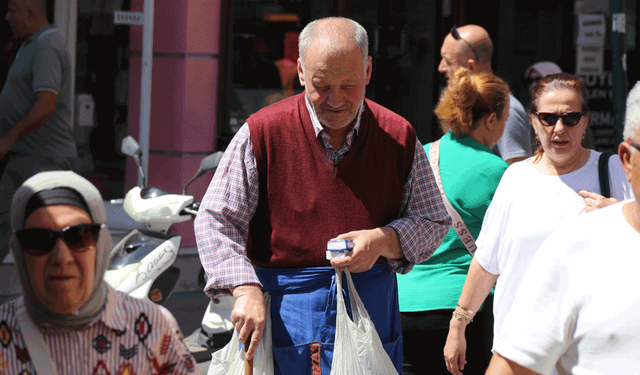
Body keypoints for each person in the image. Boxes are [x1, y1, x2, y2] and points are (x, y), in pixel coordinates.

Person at [194, 17, 451, 375]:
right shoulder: (263, 131)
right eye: (321, 85)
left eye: (348, 85)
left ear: (368, 71)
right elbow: (216, 218)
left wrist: (383, 240)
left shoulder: (398, 135)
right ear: (300, 71)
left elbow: (433, 220)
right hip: (285, 311)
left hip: (369, 308)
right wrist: (243, 287)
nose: (335, 100)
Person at [443, 73, 633, 375]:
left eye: (570, 118)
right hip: (518, 352)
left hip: (588, 353)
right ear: (533, 122)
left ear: (585, 122)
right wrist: (458, 323)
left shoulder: (612, 170)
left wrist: (615, 213)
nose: (559, 128)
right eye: (548, 118)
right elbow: (487, 260)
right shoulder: (515, 178)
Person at [0, 170, 198, 373]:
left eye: (79, 236)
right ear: (18, 250)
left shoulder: (154, 327)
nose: (61, 257)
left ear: (102, 244)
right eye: (38, 239)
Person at [397, 68, 510, 374]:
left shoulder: (421, 153)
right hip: (461, 311)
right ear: (490, 120)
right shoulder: (497, 171)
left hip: (403, 304)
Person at [0, 0, 77, 263]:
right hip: (26, 157)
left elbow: (46, 104)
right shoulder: (29, 44)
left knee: (40, 230)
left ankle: (48, 296)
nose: (8, 17)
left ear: (30, 13)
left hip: (42, 159)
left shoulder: (47, 45)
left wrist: (8, 139)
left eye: (12, 11)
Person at [438, 24, 531, 165]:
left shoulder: (506, 109)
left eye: (449, 62)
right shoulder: (460, 103)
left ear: (471, 67)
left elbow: (517, 175)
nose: (441, 68)